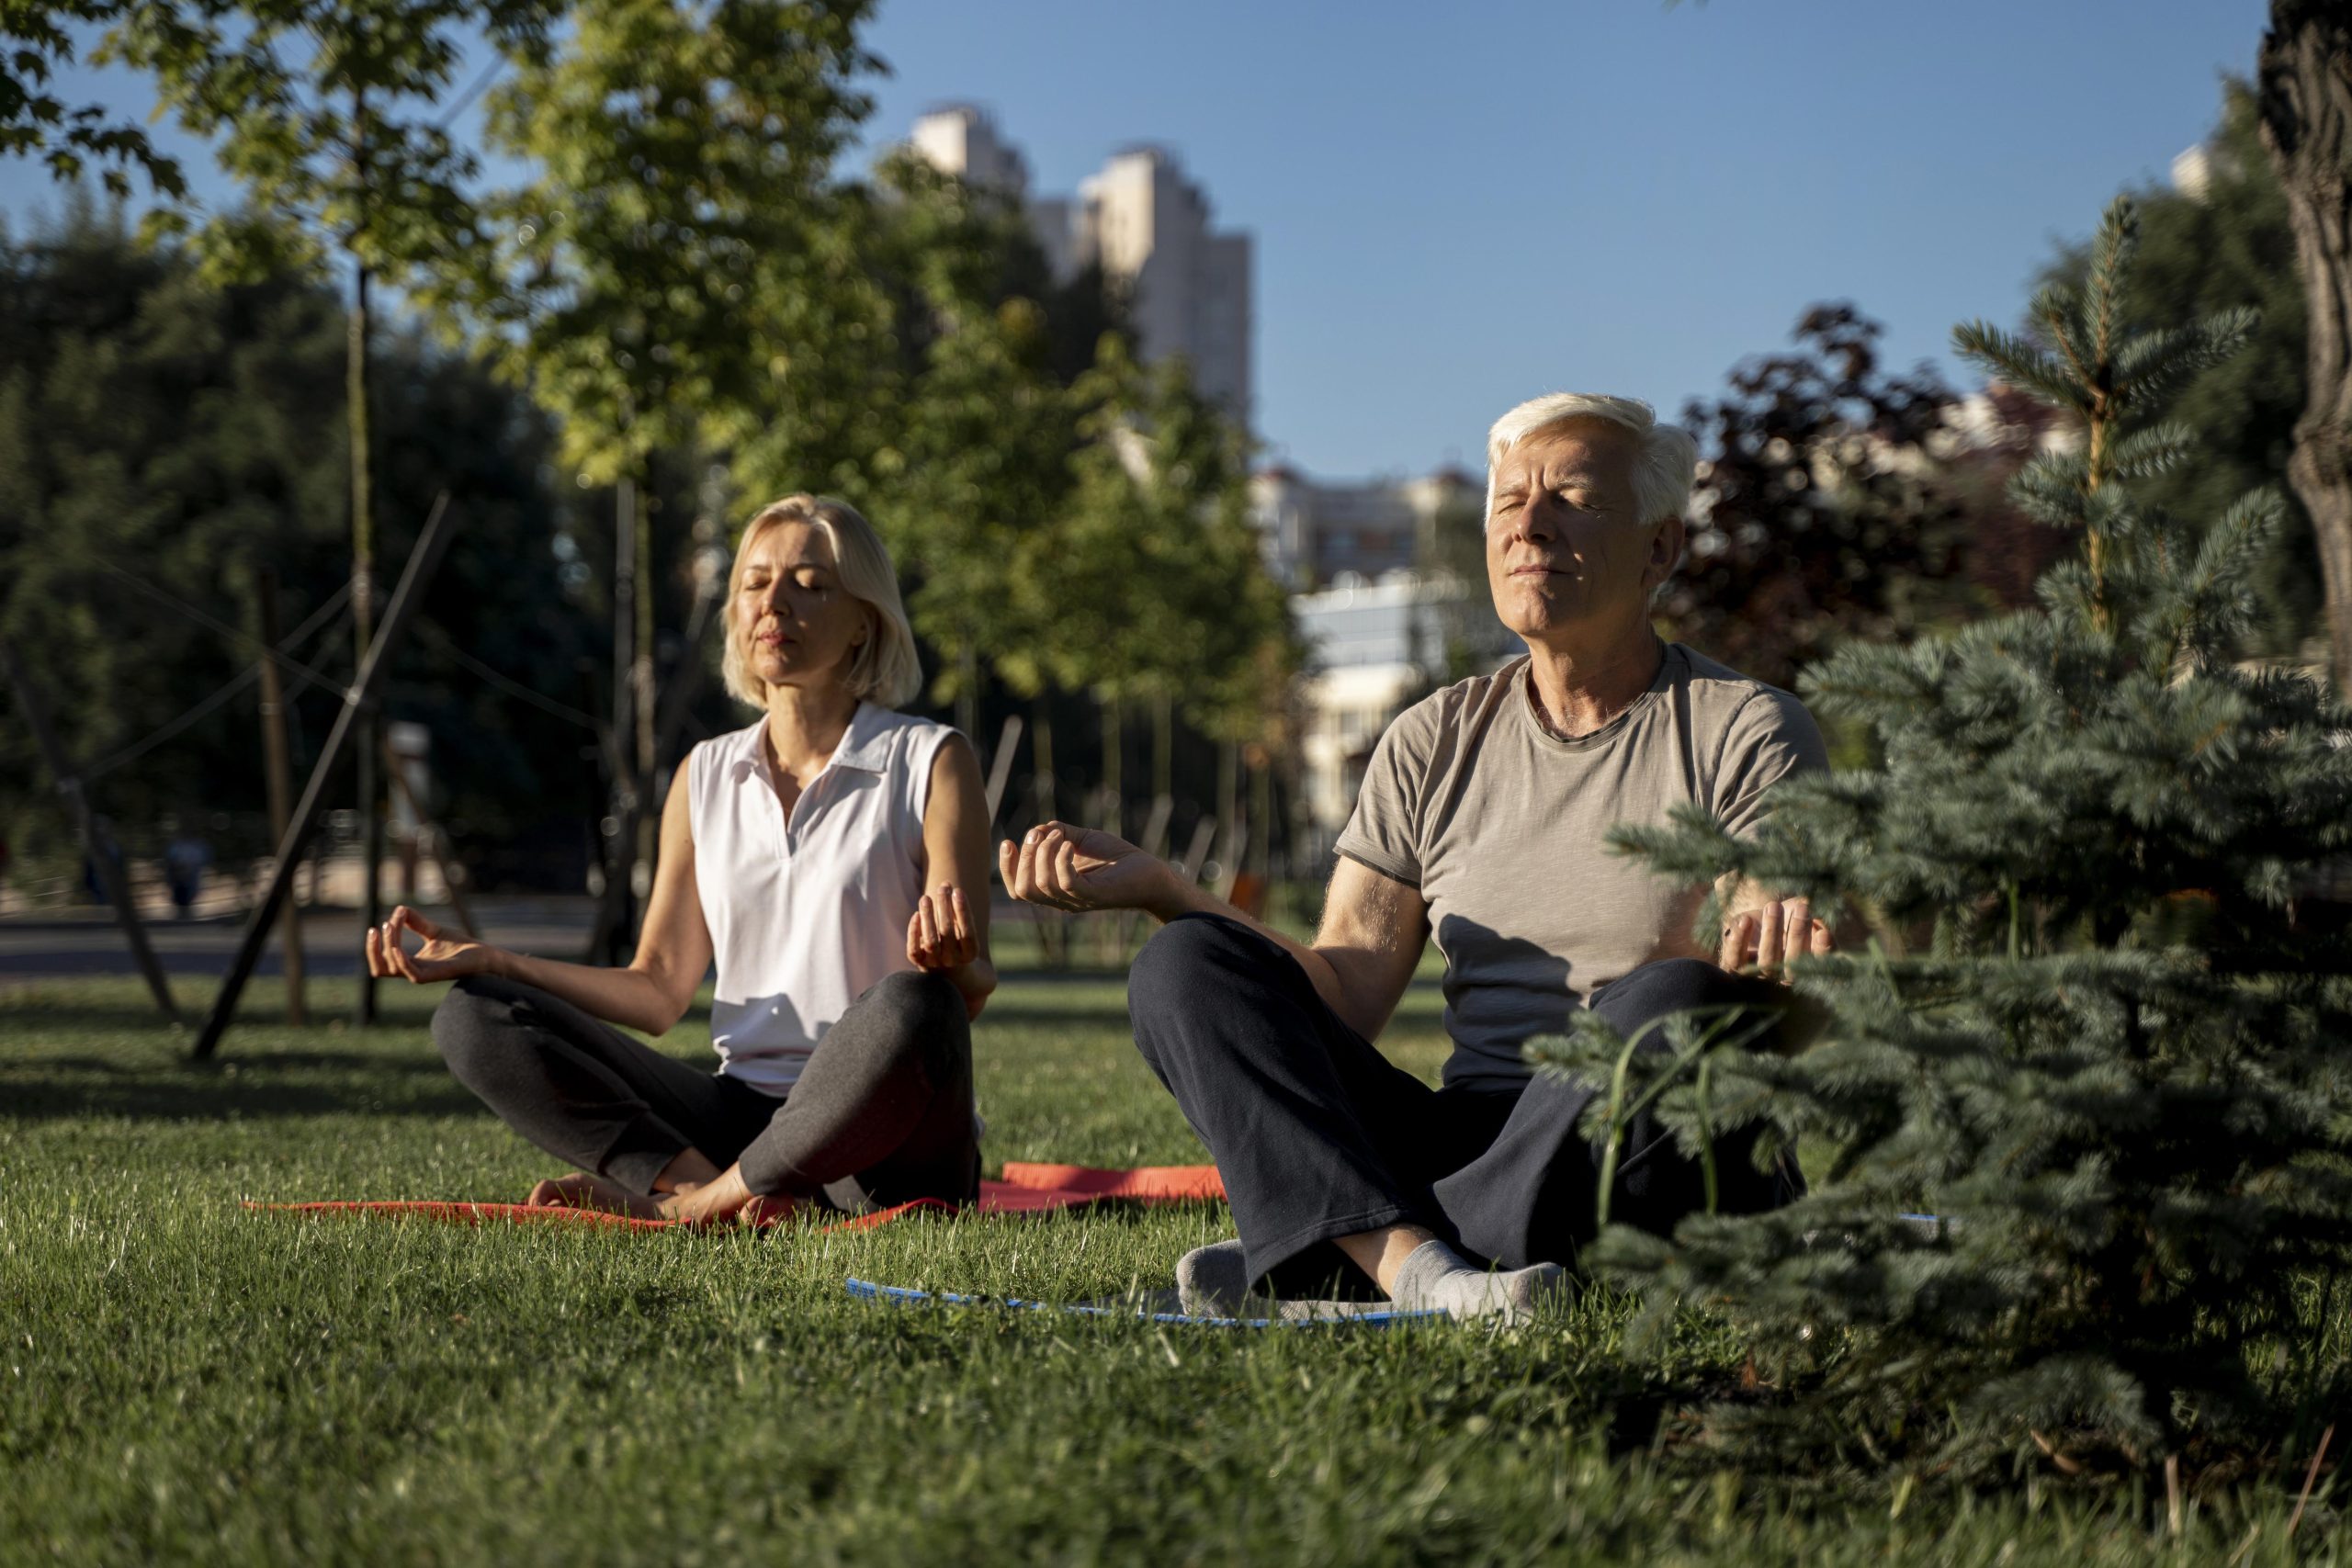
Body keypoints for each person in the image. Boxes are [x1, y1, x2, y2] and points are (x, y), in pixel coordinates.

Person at [1001, 393, 1831, 1318]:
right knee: (1182, 966)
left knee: (1676, 1001)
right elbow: (1344, 993)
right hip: (1466, 1134)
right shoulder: (1431, 738)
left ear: (1659, 550)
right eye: (1509, 499)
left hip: (1635, 1133)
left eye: (1573, 499)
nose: (1528, 523)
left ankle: (1338, 1248)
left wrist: (1778, 926)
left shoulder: (1744, 726)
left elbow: (1776, 907)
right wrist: (1163, 890)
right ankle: (1418, 1269)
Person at [368, 495, 997, 1225]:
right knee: (473, 1017)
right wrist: (498, 962)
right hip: (740, 1115)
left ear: (865, 620)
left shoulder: (930, 761)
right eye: (755, 583)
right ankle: (706, 1189)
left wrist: (954, 966)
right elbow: (658, 988)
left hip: (886, 1141)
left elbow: (971, 988)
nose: (775, 603)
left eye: (809, 583)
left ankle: (703, 1205)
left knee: (913, 1003)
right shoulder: (704, 774)